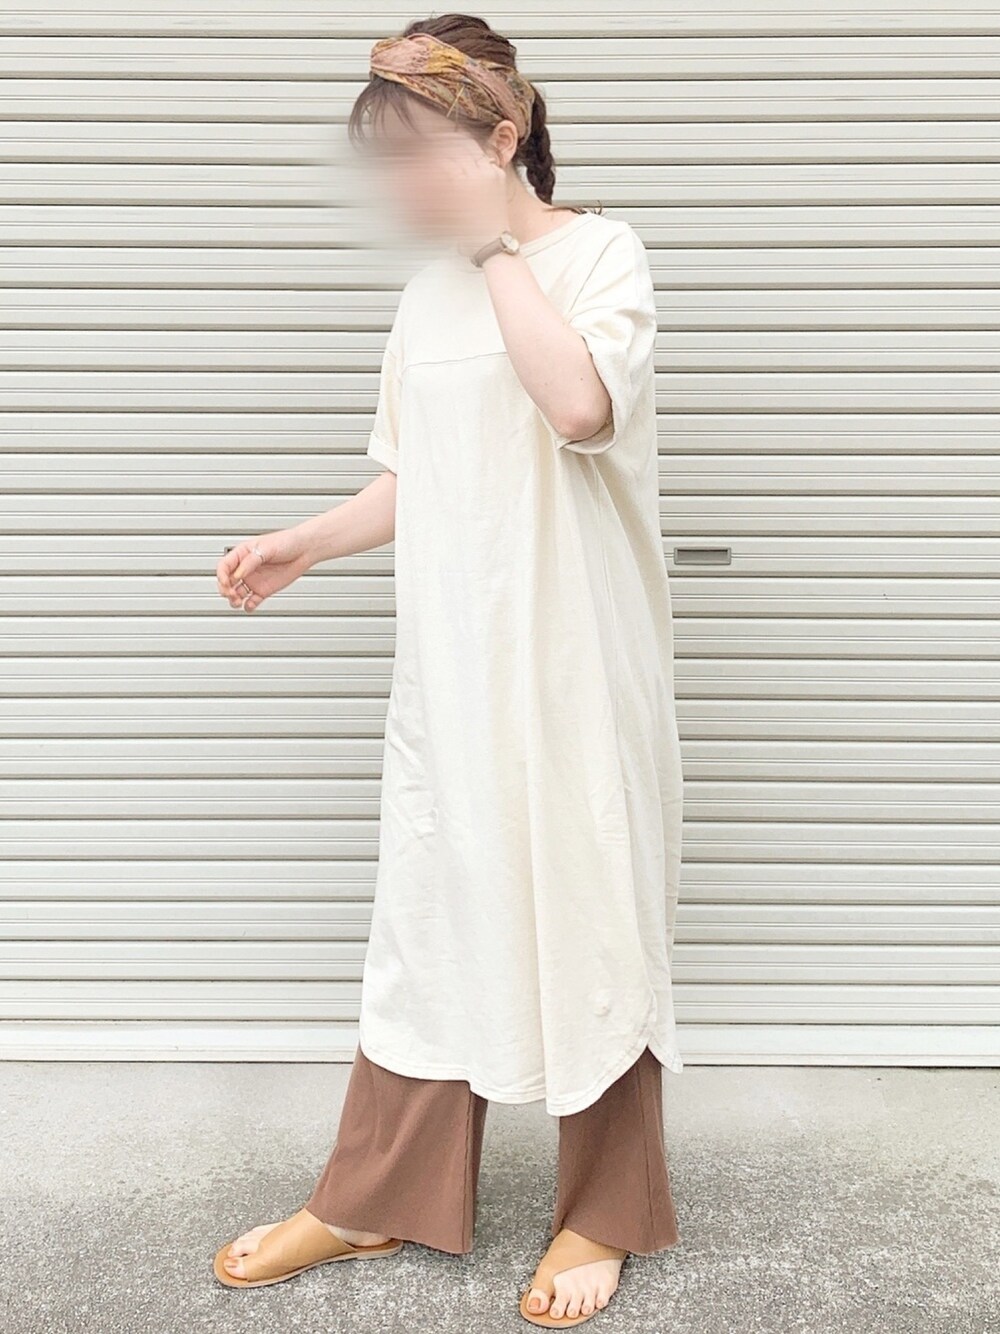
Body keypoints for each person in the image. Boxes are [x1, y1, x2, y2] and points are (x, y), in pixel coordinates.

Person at [213, 13, 683, 1327]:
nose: (403, 183)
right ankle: (380, 1194)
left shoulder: (600, 256)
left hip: (575, 669)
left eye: (422, 150)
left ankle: (606, 1209)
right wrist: (305, 543)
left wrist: (491, 246)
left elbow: (579, 408)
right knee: (430, 917)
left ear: (502, 136)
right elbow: (416, 477)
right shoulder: (423, 298)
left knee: (590, 907)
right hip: (455, 665)